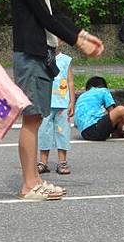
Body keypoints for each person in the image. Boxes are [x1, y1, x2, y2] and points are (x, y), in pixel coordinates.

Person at [10, 0, 105, 201]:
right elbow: (46, 18)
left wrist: (82, 34)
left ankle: (35, 179)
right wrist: (79, 41)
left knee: (35, 118)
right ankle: (29, 184)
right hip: (30, 56)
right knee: (32, 119)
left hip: (36, 54)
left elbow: (52, 15)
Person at [74, 76, 124, 142]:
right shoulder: (103, 90)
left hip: (85, 134)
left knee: (113, 116)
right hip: (95, 129)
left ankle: (119, 132)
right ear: (103, 86)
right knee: (121, 110)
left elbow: (76, 124)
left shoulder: (81, 97)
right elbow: (112, 111)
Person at [37, 47, 75, 175]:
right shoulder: (42, 58)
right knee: (44, 132)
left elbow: (70, 81)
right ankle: (43, 162)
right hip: (45, 103)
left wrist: (72, 101)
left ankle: (62, 162)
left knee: (63, 132)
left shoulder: (66, 60)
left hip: (62, 104)